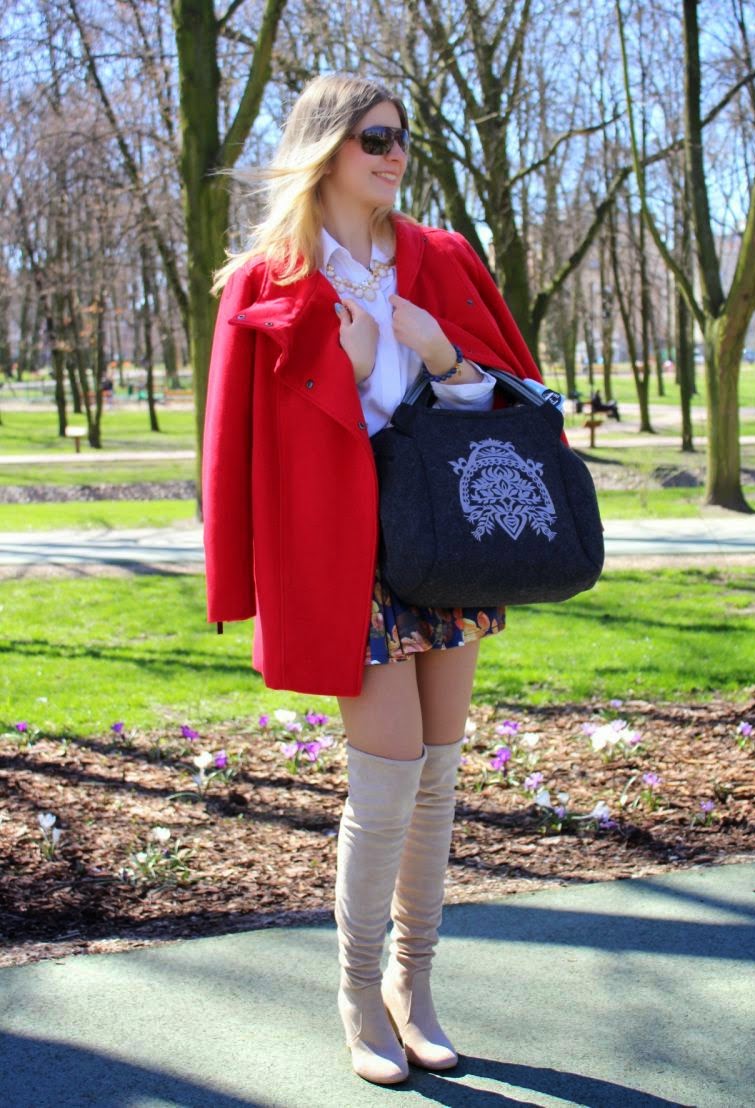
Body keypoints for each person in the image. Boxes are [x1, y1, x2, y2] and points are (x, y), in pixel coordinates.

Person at [203, 74, 547, 1086]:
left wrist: (441, 355)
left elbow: (514, 397)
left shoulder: (442, 258)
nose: (395, 155)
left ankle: (414, 983)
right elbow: (236, 444)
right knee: (388, 777)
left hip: (445, 542)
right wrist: (347, 373)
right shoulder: (265, 281)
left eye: (400, 138)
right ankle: (357, 990)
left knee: (438, 775)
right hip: (341, 553)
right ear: (326, 149)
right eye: (375, 139)